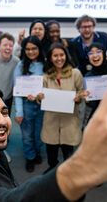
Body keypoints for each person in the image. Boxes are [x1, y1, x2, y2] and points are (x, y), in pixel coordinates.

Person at [37, 43, 88, 173]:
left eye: (62, 55)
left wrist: (79, 97)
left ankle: (68, 172)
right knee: (51, 149)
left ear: (66, 55)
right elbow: (39, 98)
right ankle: (53, 168)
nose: (59, 58)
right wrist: (39, 97)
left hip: (69, 119)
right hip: (51, 119)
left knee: (68, 151)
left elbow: (82, 92)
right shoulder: (45, 76)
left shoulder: (75, 73)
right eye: (55, 56)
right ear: (50, 58)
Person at [13, 36, 45, 172]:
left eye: (34, 49)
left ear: (39, 49)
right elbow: (17, 91)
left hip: (43, 106)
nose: (31, 52)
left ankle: (37, 152)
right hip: (26, 106)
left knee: (40, 135)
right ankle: (30, 157)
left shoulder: (46, 64)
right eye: (28, 49)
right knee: (27, 136)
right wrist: (19, 112)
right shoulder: (20, 66)